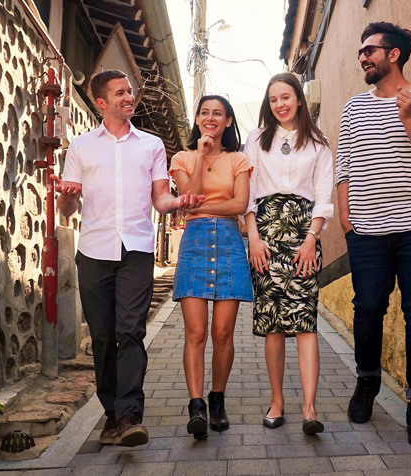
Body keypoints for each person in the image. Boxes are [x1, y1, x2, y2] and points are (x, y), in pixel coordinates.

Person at [50, 69, 204, 447]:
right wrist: (68, 193)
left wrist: (179, 202)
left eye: (130, 92)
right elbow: (68, 208)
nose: (128, 97)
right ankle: (111, 414)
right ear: (102, 103)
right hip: (94, 250)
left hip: (136, 249)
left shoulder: (151, 145)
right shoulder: (81, 147)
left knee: (131, 332)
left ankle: (131, 415)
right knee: (102, 336)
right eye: (120, 93)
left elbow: (160, 199)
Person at [335, 22, 411, 447]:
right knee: (367, 309)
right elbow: (344, 165)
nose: (363, 57)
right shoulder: (352, 108)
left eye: (370, 50)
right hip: (365, 230)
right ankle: (367, 381)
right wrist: (347, 219)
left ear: (394, 55)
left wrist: (407, 118)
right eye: (361, 51)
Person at [244, 73, 332, 435]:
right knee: (273, 326)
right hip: (264, 233)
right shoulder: (256, 139)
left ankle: (309, 408)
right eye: (274, 99)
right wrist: (253, 238)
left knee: (305, 322)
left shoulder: (318, 142)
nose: (280, 104)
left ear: (299, 98)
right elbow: (246, 191)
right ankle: (277, 401)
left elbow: (323, 194)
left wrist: (311, 238)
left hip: (303, 234)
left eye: (286, 97)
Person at [169, 94, 252, 440]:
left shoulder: (239, 159)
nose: (210, 118)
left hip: (231, 243)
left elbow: (241, 204)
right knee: (196, 333)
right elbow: (188, 198)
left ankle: (218, 398)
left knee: (222, 333)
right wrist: (202, 154)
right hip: (195, 245)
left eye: (218, 113)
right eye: (204, 112)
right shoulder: (183, 157)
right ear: (197, 120)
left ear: (228, 121)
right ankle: (196, 405)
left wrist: (204, 209)